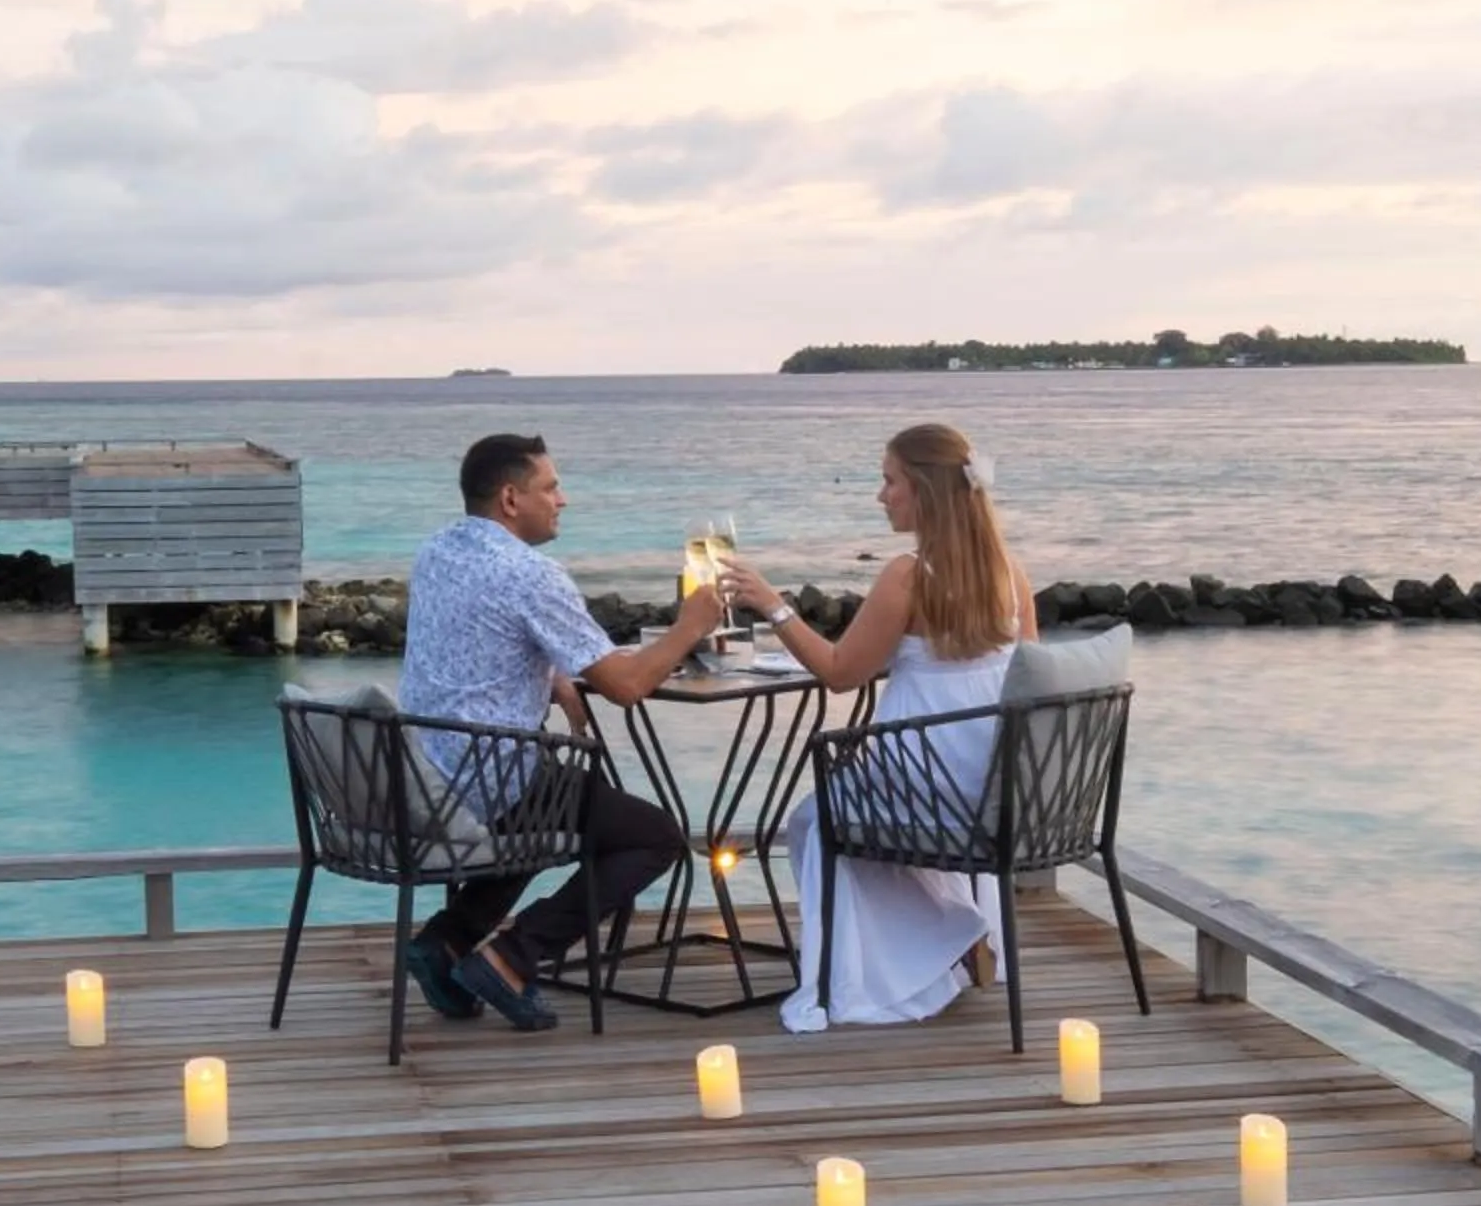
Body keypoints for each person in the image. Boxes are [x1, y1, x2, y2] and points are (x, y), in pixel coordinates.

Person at [398, 433, 723, 1031]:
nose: (562, 500)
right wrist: (689, 628)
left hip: (425, 767)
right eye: (550, 487)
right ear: (510, 499)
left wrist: (549, 673)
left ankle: (445, 943)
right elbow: (626, 686)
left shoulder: (438, 550)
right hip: (488, 775)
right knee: (655, 838)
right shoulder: (530, 574)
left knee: (551, 802)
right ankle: (513, 957)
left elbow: (477, 638)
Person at [720, 422, 1037, 1032]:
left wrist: (771, 604)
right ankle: (950, 937)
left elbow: (840, 673)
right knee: (831, 820)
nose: (881, 495)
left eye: (889, 481)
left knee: (814, 824)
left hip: (922, 782)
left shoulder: (907, 576)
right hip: (990, 788)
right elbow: (1028, 678)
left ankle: (945, 936)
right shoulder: (1011, 575)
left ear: (921, 490)